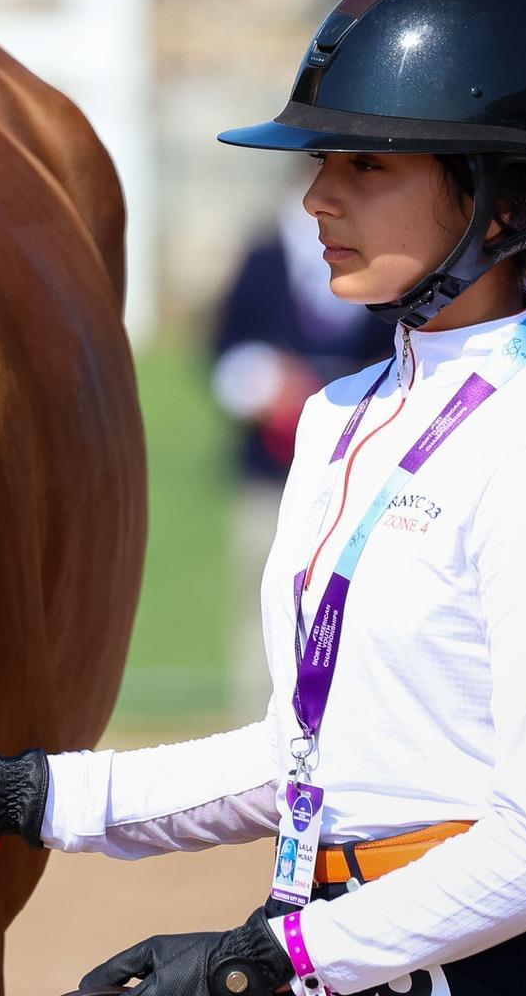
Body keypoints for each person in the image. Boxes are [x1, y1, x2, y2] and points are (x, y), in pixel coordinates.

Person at [0, 0, 526, 996]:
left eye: (363, 168)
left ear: (498, 202)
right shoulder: (338, 419)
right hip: (338, 951)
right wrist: (19, 794)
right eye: (322, 165)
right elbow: (308, 756)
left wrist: (265, 959)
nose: (315, 198)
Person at [212, 195, 384, 715]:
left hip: (368, 473)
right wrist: (265, 383)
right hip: (273, 477)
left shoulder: (387, 264)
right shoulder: (264, 259)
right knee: (263, 604)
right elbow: (224, 354)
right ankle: (253, 734)